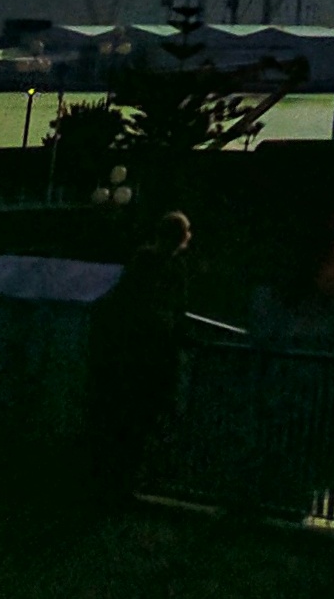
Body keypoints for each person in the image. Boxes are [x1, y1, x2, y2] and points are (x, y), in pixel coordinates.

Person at [88, 209, 193, 492]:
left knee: (129, 416)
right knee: (144, 416)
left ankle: (119, 478)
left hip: (138, 348)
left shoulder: (146, 261)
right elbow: (177, 309)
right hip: (154, 350)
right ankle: (133, 479)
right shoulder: (174, 268)